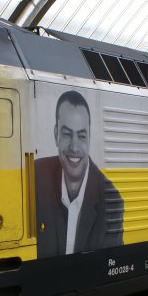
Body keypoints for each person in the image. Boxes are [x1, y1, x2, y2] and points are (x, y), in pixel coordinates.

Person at [35, 90, 123, 257]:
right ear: (56, 135)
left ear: (89, 138)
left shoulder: (111, 201)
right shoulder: (35, 177)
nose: (74, 147)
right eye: (67, 134)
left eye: (81, 136)